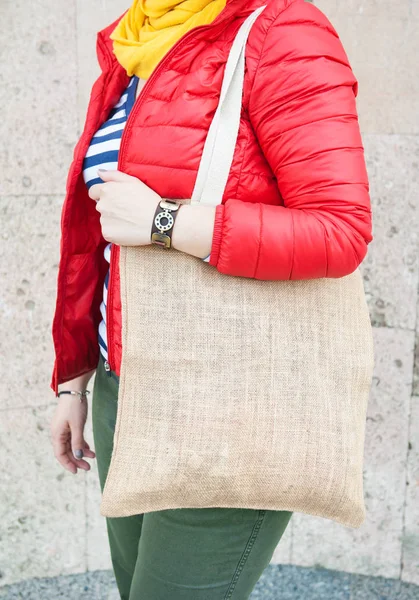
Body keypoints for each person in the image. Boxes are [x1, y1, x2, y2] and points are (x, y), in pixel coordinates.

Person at [49, 0, 372, 597]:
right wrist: (77, 381)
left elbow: (341, 230)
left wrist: (166, 220)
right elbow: (97, 238)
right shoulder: (135, 41)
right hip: (129, 388)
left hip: (232, 402)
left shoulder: (282, 30)